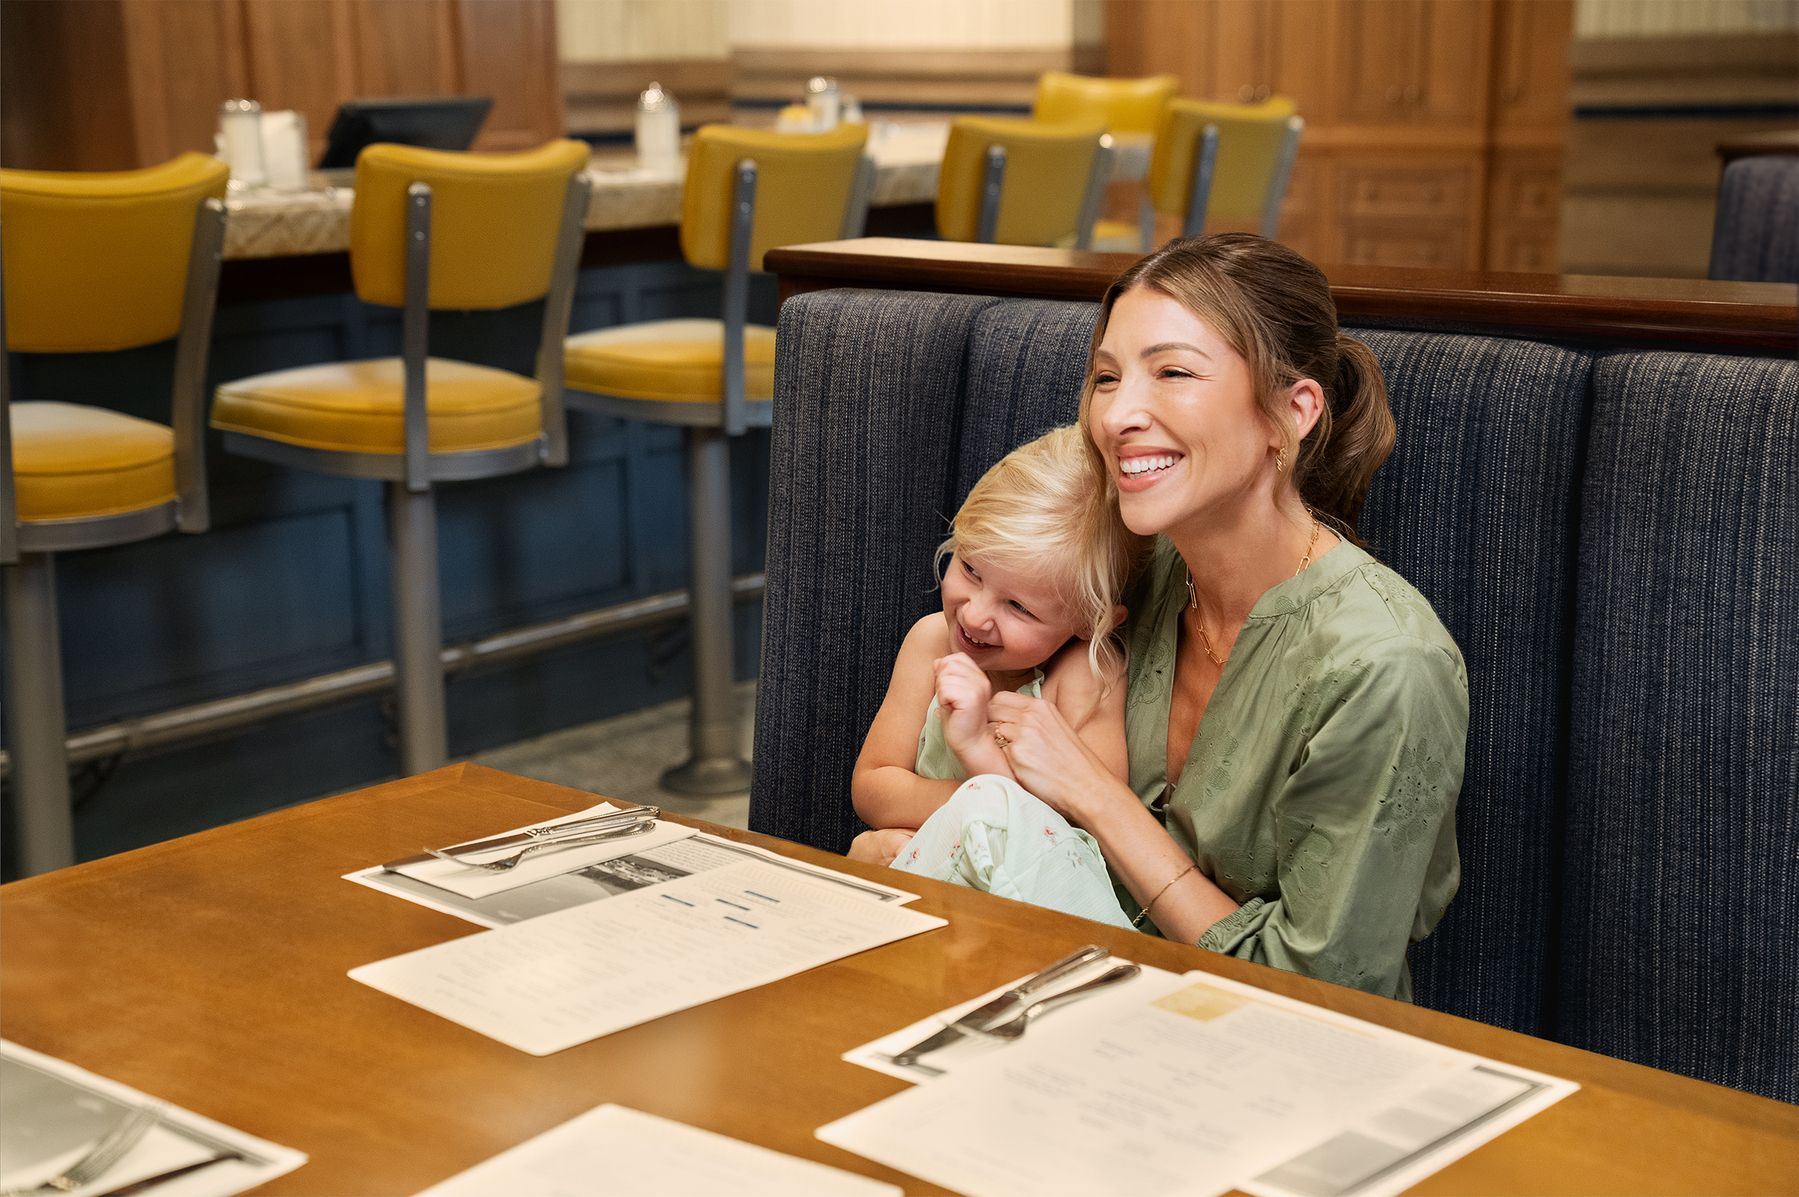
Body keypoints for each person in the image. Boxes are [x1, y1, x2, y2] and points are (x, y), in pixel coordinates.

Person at [960, 234, 1466, 999]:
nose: (1117, 413)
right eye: (1105, 376)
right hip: (1076, 989)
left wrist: (1096, 797)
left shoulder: (1383, 664)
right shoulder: (1133, 570)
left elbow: (1317, 989)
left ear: (1289, 413)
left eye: (1171, 372)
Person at [848, 426, 1145, 928]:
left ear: (1091, 622)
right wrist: (945, 829)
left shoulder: (1087, 675)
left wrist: (976, 754)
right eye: (970, 569)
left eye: (1019, 607)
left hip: (1041, 912)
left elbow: (1082, 826)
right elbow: (872, 786)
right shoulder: (930, 642)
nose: (976, 615)